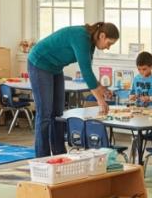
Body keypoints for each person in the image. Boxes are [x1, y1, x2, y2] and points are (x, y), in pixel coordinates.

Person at [28, 22, 118, 157]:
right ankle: (42, 158)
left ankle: (60, 154)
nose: (108, 48)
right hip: (39, 62)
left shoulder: (91, 43)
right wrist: (101, 101)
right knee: (45, 114)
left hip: (55, 67)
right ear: (102, 36)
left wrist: (102, 89)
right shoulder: (81, 37)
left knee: (57, 115)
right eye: (109, 43)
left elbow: (88, 71)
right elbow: (86, 72)